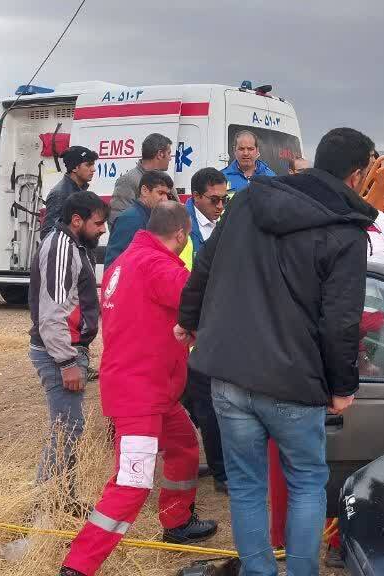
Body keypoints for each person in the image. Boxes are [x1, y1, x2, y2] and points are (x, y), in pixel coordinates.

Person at [176, 127, 377, 576]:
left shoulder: (248, 201)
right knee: (306, 484)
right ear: (358, 173)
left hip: (229, 373)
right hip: (292, 381)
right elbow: (341, 320)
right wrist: (343, 385)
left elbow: (206, 263)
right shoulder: (345, 231)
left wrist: (188, 320)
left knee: (247, 488)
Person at [59, 202, 218, 576]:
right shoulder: (159, 267)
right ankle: (78, 566)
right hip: (142, 394)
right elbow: (198, 303)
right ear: (180, 235)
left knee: (182, 446)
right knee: (131, 483)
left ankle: (176, 522)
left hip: (150, 388)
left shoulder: (125, 262)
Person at [29, 191, 107, 510]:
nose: (103, 230)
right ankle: (46, 507)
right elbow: (52, 313)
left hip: (69, 350)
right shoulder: (62, 247)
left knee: (69, 429)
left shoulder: (74, 245)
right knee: (66, 430)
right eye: (98, 223)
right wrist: (65, 361)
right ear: (77, 221)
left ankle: (63, 501)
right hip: (59, 353)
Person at [178, 167, 231, 493]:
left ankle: (219, 465)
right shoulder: (181, 230)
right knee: (198, 403)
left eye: (224, 199)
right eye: (214, 200)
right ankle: (221, 469)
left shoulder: (225, 224)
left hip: (210, 331)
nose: (220, 205)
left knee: (206, 404)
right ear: (195, 197)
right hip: (188, 330)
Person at [103, 170, 175, 268]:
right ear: (144, 190)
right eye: (160, 193)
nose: (165, 199)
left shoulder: (150, 217)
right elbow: (114, 264)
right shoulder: (130, 219)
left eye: (167, 195)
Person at [109, 133, 173, 226]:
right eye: (169, 153)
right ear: (160, 154)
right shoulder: (128, 180)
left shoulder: (166, 180)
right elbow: (117, 220)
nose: (170, 158)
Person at [42, 146, 99, 238]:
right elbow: (48, 233)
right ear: (74, 168)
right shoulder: (60, 194)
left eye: (93, 165)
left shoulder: (78, 190)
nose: (93, 169)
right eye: (88, 165)